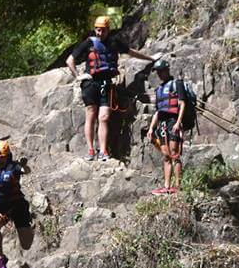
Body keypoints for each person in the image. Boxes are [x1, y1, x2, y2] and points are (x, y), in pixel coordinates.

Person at [66, 15, 155, 162]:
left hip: (106, 83)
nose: (99, 33)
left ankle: (103, 151)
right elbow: (70, 60)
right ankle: (90, 150)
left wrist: (151, 59)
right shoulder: (88, 43)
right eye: (97, 30)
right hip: (90, 84)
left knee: (104, 117)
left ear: (108, 29)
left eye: (102, 30)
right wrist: (78, 76)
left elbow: (131, 52)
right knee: (91, 115)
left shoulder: (114, 43)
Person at [145, 59, 195, 195]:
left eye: (162, 71)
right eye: (158, 72)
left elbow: (182, 103)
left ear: (167, 70)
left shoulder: (176, 84)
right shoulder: (159, 90)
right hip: (162, 123)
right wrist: (151, 128)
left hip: (174, 120)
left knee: (175, 153)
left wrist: (179, 122)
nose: (160, 74)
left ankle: (178, 186)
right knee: (166, 155)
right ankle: (166, 186)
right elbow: (157, 112)